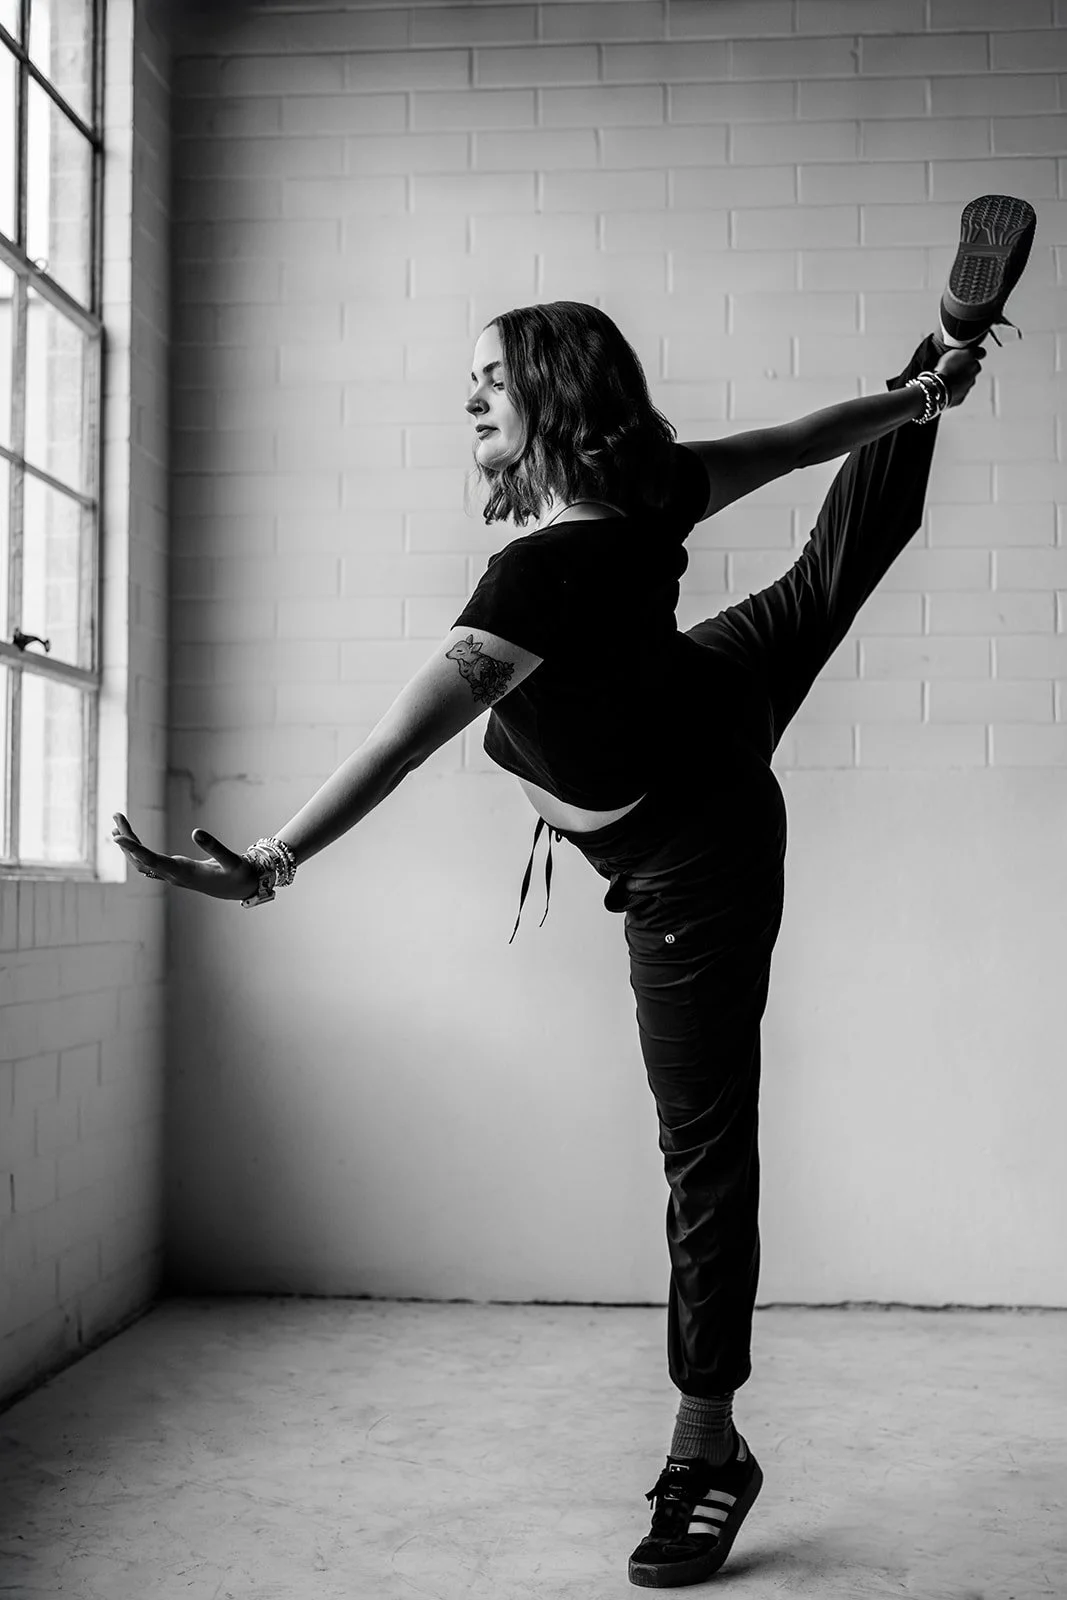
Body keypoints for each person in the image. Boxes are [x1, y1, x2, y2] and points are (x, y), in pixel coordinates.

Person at [112, 194, 1036, 1590]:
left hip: (692, 841)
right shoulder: (646, 487)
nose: (468, 400)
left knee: (698, 1148)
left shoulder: (539, 577)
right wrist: (917, 387)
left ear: (549, 394)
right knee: (830, 567)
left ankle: (704, 1446)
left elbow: (399, 741)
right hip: (703, 696)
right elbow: (796, 445)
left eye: (489, 381)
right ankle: (949, 343)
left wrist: (273, 865)